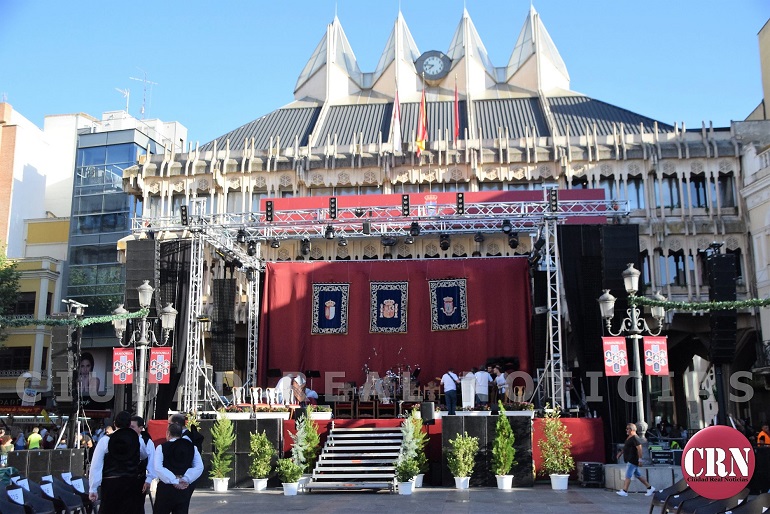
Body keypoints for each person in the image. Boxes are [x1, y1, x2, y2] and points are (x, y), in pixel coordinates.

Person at [88, 411, 146, 514]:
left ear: (115, 423)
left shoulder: (105, 440)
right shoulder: (137, 440)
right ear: (129, 425)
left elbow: (96, 465)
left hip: (110, 482)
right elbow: (144, 455)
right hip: (130, 482)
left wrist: (93, 487)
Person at [153, 422, 203, 514]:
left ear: (168, 433)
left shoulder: (161, 447)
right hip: (184, 487)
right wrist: (185, 479)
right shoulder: (192, 447)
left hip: (166, 487)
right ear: (181, 434)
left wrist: (174, 480)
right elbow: (199, 467)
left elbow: (158, 467)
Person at [617, 423, 655, 497]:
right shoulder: (629, 438)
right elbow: (626, 447)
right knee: (638, 475)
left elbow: (639, 448)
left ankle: (625, 490)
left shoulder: (635, 438)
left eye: (628, 429)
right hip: (630, 459)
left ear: (632, 430)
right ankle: (650, 488)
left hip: (633, 459)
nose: (626, 430)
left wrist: (640, 460)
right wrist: (621, 453)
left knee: (628, 475)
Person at [131, 415, 156, 511]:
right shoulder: (123, 439)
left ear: (140, 428)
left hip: (139, 478)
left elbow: (151, 461)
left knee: (138, 506)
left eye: (133, 427)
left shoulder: (147, 442)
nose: (130, 429)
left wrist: (149, 480)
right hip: (124, 478)